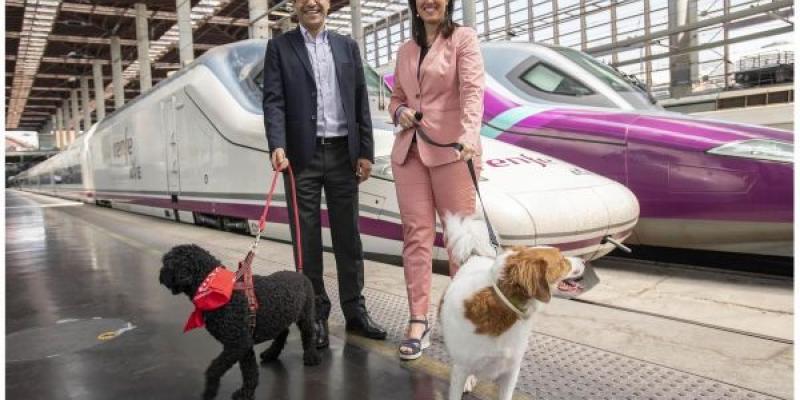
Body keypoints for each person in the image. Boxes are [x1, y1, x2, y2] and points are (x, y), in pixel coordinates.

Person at [262, 0, 387, 349]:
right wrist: (277, 142)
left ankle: (355, 311)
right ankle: (314, 313)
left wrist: (365, 151)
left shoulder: (347, 47)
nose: (311, 2)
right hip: (300, 157)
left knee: (349, 237)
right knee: (307, 240)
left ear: (329, 4)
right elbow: (273, 100)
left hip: (342, 154)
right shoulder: (280, 47)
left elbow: (360, 100)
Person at [389, 0, 485, 360]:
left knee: (459, 242)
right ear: (415, 6)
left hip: (453, 151)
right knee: (416, 237)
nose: (429, 1)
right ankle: (418, 319)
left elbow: (473, 91)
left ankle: (464, 322)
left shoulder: (463, 39)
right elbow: (396, 98)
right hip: (409, 153)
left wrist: (470, 136)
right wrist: (400, 111)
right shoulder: (405, 50)